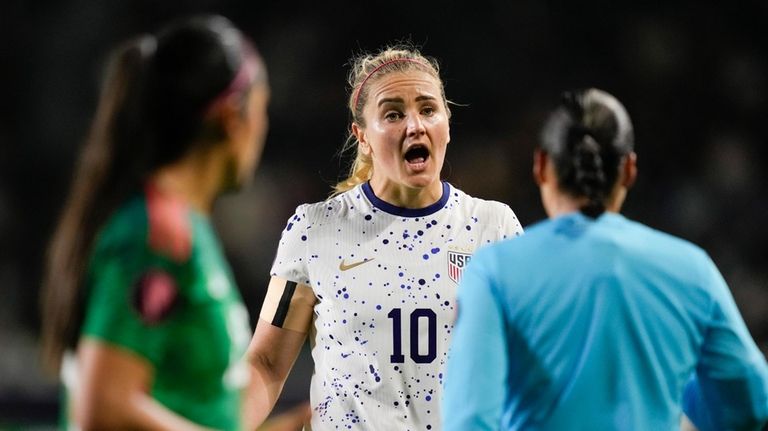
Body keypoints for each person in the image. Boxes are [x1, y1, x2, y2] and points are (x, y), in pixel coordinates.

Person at [442, 88, 768, 430]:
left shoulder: (494, 271)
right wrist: (672, 384)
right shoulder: (692, 269)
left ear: (540, 167)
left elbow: (470, 419)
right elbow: (749, 404)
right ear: (628, 169)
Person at [245, 44, 524, 430]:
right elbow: (266, 363)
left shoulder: (493, 228)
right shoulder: (316, 230)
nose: (415, 125)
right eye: (393, 114)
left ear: (447, 122)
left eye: (428, 109)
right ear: (362, 135)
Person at [39, 15, 285, 430]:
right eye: (262, 110)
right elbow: (103, 409)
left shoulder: (186, 228)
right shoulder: (156, 233)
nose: (264, 128)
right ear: (230, 118)